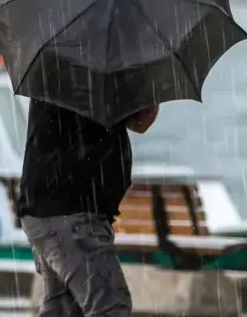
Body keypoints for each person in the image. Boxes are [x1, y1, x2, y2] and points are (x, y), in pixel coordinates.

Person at [18, 101, 159, 316]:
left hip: (53, 208)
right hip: (70, 211)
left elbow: (139, 120)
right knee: (110, 305)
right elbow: (136, 116)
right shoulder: (89, 74)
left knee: (65, 308)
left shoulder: (70, 74)